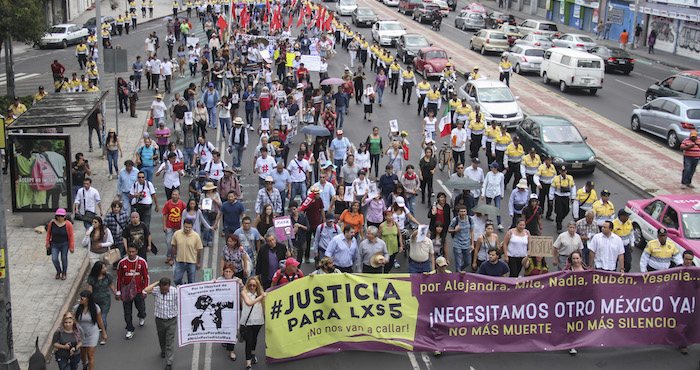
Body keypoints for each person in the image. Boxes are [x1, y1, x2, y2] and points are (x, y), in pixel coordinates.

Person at [143, 277, 178, 370]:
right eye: (162, 289)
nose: (164, 291)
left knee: (169, 341)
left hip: (171, 320)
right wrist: (157, 283)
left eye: (166, 289)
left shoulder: (175, 291)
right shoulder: (156, 291)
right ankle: (163, 350)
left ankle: (169, 362)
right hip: (159, 320)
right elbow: (146, 290)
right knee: (161, 337)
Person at [75, 290, 106, 370]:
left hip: (92, 333)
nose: (80, 300)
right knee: (83, 352)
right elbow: (75, 321)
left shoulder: (95, 308)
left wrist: (104, 333)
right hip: (81, 334)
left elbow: (99, 320)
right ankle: (85, 363)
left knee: (90, 354)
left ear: (87, 299)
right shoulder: (77, 308)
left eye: (82, 298)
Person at [240, 277, 266, 370]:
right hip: (247, 323)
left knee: (254, 339)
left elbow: (264, 308)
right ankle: (248, 363)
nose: (252, 287)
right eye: (250, 285)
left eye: (254, 285)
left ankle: (253, 354)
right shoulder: (244, 293)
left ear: (257, 286)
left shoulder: (260, 295)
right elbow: (249, 303)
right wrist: (261, 296)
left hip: (258, 321)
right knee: (249, 341)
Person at [86, 261, 115, 340]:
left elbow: (111, 286)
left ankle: (103, 333)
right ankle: (100, 328)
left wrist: (116, 294)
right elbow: (90, 291)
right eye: (103, 268)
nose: (105, 269)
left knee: (103, 317)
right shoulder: (92, 279)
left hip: (105, 300)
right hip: (95, 301)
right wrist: (88, 301)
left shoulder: (108, 276)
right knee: (96, 317)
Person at [169, 219, 202, 285]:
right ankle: (183, 286)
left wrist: (198, 263)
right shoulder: (177, 234)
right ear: (183, 225)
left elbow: (199, 250)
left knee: (191, 282)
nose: (187, 229)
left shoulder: (196, 236)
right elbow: (173, 246)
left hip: (191, 262)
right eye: (186, 227)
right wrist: (172, 259)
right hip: (179, 261)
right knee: (176, 279)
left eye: (189, 227)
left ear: (192, 227)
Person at [46, 209, 75, 281]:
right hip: (54, 244)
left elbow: (71, 236)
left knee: (64, 258)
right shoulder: (52, 223)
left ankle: (64, 273)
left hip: (64, 244)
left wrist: (71, 246)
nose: (60, 218)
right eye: (58, 216)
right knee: (54, 259)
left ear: (65, 216)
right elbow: (48, 233)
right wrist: (47, 243)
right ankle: (58, 271)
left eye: (61, 216)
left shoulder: (68, 224)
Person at [161, 189, 186, 264]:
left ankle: (175, 256)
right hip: (169, 227)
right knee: (169, 243)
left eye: (176, 195)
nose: (174, 196)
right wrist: (164, 226)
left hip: (178, 227)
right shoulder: (168, 204)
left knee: (178, 243)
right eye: (173, 194)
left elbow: (185, 215)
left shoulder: (182, 204)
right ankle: (169, 256)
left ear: (179, 196)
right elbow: (164, 215)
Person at [549, 166, 576, 233]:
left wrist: (573, 197)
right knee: (559, 212)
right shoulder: (556, 179)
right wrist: (551, 199)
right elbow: (552, 189)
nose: (563, 173)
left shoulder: (570, 178)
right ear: (560, 172)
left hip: (566, 197)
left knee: (566, 210)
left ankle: (559, 219)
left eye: (564, 171)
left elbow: (573, 187)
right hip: (558, 197)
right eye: (562, 171)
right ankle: (559, 226)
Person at [449, 205, 474, 272]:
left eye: (464, 211)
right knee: (458, 263)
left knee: (467, 262)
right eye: (461, 212)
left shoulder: (470, 219)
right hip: (457, 244)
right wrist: (455, 230)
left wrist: (472, 244)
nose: (463, 213)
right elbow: (449, 230)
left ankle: (460, 270)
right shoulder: (455, 220)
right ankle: (458, 276)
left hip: (467, 244)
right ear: (458, 213)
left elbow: (472, 232)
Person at [482, 162, 505, 230]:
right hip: (489, 193)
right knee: (487, 207)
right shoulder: (489, 174)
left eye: (492, 167)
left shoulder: (501, 175)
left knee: (497, 208)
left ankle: (499, 223)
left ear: (496, 168)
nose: (491, 168)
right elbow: (485, 183)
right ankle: (485, 221)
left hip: (497, 193)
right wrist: (483, 194)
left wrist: (502, 194)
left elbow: (502, 185)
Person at [613, 209, 636, 273]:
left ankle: (622, 275)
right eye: (626, 216)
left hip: (626, 246)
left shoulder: (629, 222)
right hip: (616, 247)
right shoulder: (614, 224)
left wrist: (632, 245)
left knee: (628, 264)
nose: (628, 218)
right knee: (614, 263)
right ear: (621, 216)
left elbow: (631, 234)